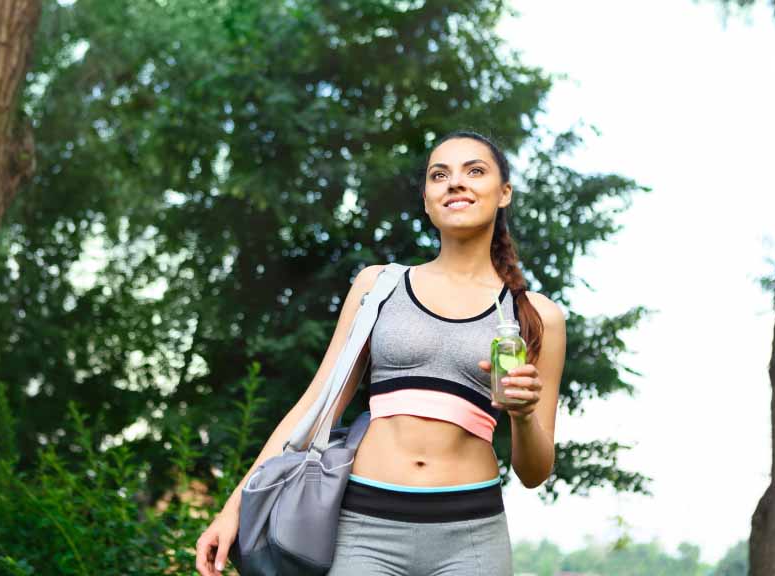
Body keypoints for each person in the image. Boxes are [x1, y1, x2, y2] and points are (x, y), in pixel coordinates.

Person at [195, 130, 566, 576]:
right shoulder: (379, 286)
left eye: (475, 171)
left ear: (503, 192)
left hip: (471, 536)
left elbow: (534, 472)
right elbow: (314, 408)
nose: (455, 183)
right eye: (439, 174)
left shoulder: (535, 315)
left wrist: (523, 416)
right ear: (428, 200)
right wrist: (233, 509)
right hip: (365, 531)